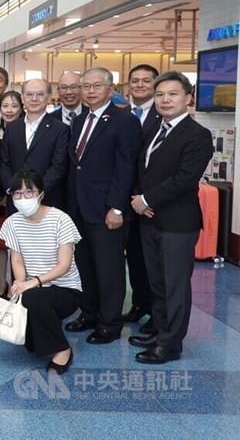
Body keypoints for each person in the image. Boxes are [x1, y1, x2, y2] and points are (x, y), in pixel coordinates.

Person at [129, 71, 213, 364]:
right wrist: (139, 199)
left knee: (175, 285)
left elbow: (184, 179)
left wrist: (146, 200)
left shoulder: (198, 135)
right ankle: (160, 330)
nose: (165, 100)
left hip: (178, 223)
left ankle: (171, 344)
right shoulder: (154, 129)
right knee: (158, 283)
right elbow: (143, 170)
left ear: (188, 98)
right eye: (160, 94)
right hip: (149, 218)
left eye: (173, 94)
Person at [65, 67, 142, 345]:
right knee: (84, 265)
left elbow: (126, 167)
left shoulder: (124, 120)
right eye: (86, 86)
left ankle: (109, 323)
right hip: (79, 208)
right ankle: (89, 313)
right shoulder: (80, 119)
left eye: (97, 86)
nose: (90, 91)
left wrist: (117, 207)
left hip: (107, 209)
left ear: (111, 88)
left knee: (109, 269)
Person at [0, 170, 82, 374]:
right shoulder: (12, 222)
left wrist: (32, 282)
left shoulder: (61, 219)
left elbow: (64, 265)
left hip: (65, 288)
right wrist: (20, 283)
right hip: (33, 287)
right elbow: (16, 258)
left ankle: (62, 350)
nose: (22, 198)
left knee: (34, 298)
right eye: (17, 193)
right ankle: (43, 332)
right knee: (30, 300)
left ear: (41, 194)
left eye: (29, 192)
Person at [122, 64, 161, 327]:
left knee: (154, 265)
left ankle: (157, 314)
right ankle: (139, 304)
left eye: (146, 81)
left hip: (151, 204)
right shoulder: (121, 115)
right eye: (135, 81)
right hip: (126, 202)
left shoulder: (164, 117)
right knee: (134, 258)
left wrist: (145, 198)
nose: (139, 85)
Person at [0, 79, 69, 211]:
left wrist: (34, 192)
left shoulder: (60, 129)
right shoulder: (12, 128)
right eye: (30, 94)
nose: (34, 99)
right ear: (23, 98)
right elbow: (4, 162)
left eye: (40, 94)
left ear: (49, 97)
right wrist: (14, 189)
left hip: (46, 201)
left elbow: (58, 166)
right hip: (16, 201)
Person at [0, 90, 24, 299]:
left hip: (24, 195)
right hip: (0, 195)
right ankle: (1, 283)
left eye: (14, 106)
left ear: (21, 108)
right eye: (5, 106)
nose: (9, 110)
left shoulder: (28, 130)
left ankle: (19, 284)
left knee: (21, 243)